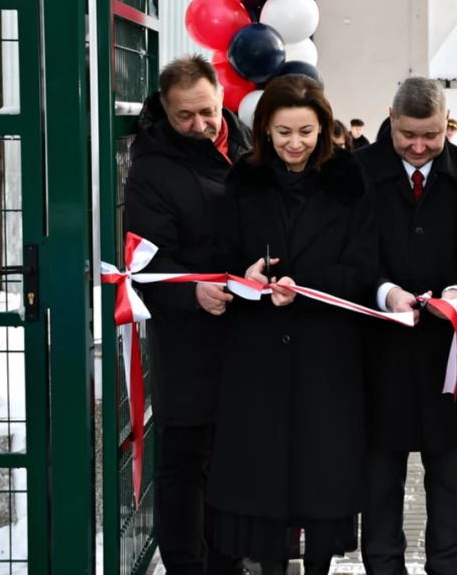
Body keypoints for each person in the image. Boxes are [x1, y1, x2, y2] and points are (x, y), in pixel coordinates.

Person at [207, 74, 376, 575]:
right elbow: (223, 257)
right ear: (264, 132)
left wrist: (303, 284)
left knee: (321, 475)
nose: (295, 144)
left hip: (326, 353)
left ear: (324, 129)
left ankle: (319, 567)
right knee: (261, 478)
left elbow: (363, 268)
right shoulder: (243, 181)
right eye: (283, 133)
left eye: (306, 132)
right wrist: (247, 278)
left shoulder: (350, 182)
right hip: (258, 355)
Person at [124, 54, 250, 575]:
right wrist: (191, 292)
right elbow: (145, 260)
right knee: (184, 460)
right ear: (165, 110)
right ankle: (184, 565)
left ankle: (228, 561)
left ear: (221, 98)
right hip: (187, 338)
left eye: (208, 112)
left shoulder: (246, 143)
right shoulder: (151, 168)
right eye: (185, 117)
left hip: (246, 331)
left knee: (235, 457)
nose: (199, 126)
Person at [356, 77, 457, 575]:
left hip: (446, 351)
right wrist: (385, 292)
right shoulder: (359, 172)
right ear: (390, 116)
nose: (419, 145)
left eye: (431, 134)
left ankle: (449, 568)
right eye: (407, 133)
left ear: (446, 122)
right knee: (379, 481)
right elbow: (349, 253)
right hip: (379, 349)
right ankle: (383, 567)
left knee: (451, 480)